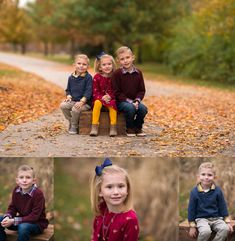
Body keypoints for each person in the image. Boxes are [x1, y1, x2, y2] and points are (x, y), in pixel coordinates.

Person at [90, 158, 139, 241]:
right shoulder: (101, 209)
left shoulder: (130, 220)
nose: (116, 192)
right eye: (109, 187)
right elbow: (95, 236)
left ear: (128, 189)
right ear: (99, 191)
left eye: (120, 186)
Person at [0, 165, 49, 241]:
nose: (24, 180)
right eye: (21, 177)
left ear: (34, 180)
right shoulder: (16, 191)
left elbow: (34, 217)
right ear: (17, 180)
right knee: (1, 219)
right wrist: (8, 217)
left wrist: (13, 220)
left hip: (36, 224)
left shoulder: (38, 194)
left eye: (28, 177)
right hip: (21, 221)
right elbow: (12, 208)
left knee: (23, 227)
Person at [188, 162, 233, 241]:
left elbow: (222, 206)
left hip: (217, 218)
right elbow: (191, 209)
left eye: (209, 175)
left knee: (225, 229)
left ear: (214, 177)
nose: (206, 177)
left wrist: (227, 221)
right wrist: (192, 226)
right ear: (198, 176)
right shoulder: (194, 192)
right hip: (201, 219)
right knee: (206, 231)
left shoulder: (218, 190)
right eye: (203, 174)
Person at [111, 46, 148, 137]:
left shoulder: (138, 73)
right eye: (122, 59)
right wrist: (131, 102)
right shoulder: (117, 74)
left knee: (143, 109)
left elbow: (141, 90)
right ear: (118, 61)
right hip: (121, 102)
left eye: (127, 57)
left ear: (133, 58)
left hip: (135, 101)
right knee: (130, 108)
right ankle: (129, 127)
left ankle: (138, 127)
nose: (125, 61)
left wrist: (137, 100)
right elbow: (116, 92)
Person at [60, 54, 92, 134]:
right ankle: (72, 121)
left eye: (84, 64)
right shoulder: (71, 77)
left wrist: (82, 101)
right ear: (74, 65)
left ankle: (74, 126)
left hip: (85, 103)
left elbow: (89, 91)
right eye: (79, 63)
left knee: (75, 109)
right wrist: (68, 96)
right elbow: (68, 90)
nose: (81, 66)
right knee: (63, 106)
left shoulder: (88, 77)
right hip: (73, 101)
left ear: (88, 66)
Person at [90, 52, 117, 137]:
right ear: (100, 67)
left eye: (109, 64)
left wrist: (110, 96)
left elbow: (117, 90)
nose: (107, 66)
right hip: (100, 99)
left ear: (113, 65)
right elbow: (95, 92)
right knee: (97, 103)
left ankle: (113, 127)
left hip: (111, 99)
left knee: (113, 105)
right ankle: (94, 126)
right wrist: (102, 97)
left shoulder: (115, 77)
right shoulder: (97, 77)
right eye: (104, 64)